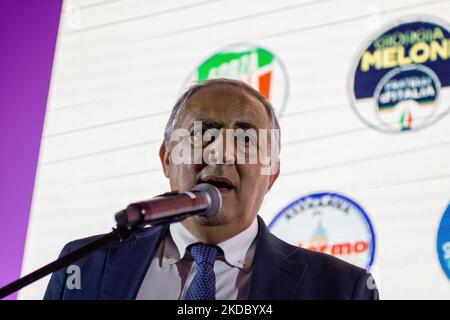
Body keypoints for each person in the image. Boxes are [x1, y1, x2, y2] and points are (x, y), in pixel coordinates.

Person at [44, 78, 378, 300]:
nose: (221, 152)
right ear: (167, 158)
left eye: (246, 140)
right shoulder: (85, 267)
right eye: (203, 132)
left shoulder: (341, 290)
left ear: (272, 174)